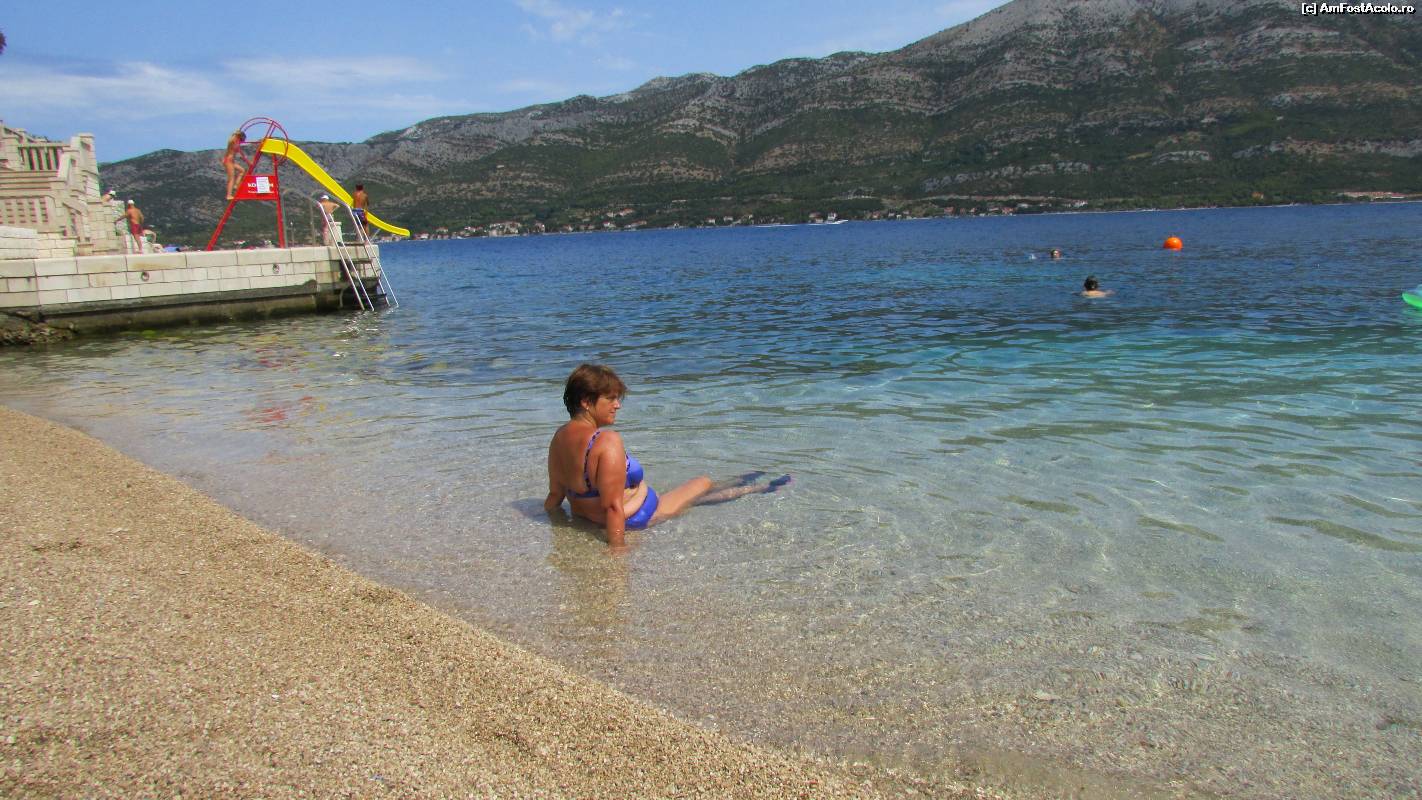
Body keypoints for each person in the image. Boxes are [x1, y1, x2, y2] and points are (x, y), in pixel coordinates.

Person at [545, 364, 790, 548]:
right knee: (702, 483)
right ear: (586, 402)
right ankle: (760, 487)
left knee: (696, 495)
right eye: (610, 398)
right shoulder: (606, 442)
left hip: (597, 516)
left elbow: (556, 495)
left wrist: (551, 524)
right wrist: (617, 551)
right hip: (639, 516)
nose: (617, 405)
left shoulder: (559, 437)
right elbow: (612, 506)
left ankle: (750, 482)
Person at [222, 130, 246, 200]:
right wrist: (236, 133)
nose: (241, 142)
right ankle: (228, 195)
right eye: (241, 140)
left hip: (231, 161)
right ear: (239, 137)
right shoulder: (232, 140)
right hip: (228, 160)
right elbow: (232, 139)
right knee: (231, 178)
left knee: (242, 170)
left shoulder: (236, 142)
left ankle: (236, 185)